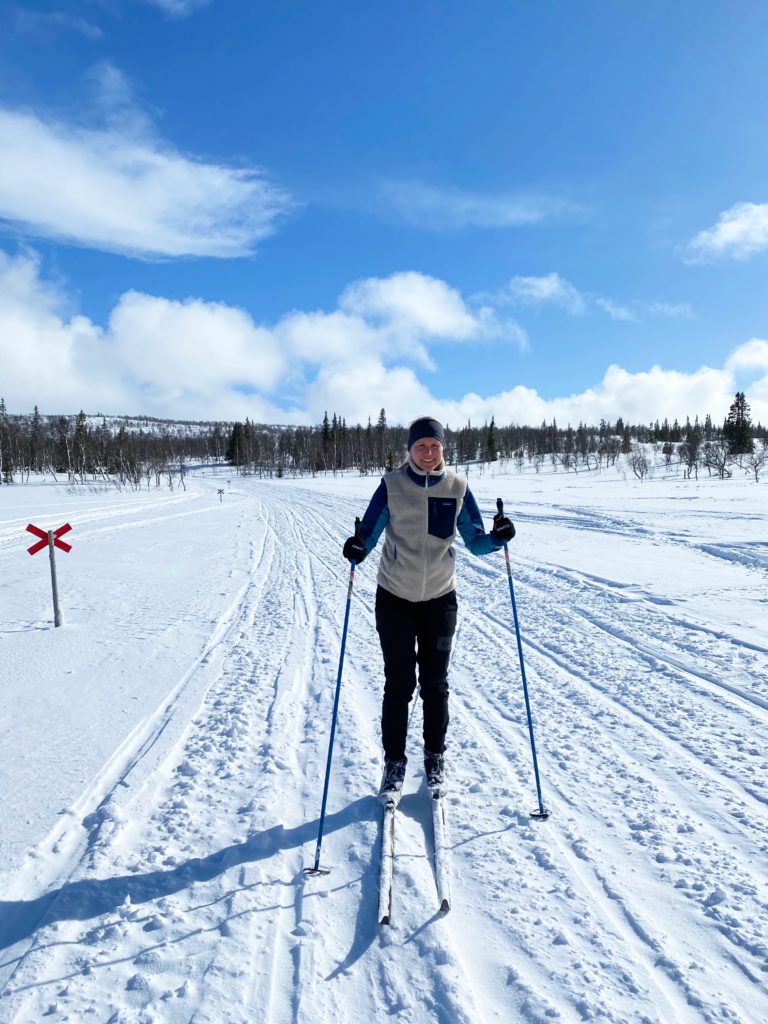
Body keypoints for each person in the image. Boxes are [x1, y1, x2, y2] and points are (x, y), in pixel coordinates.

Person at [342, 416, 515, 803]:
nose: (428, 452)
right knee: (399, 685)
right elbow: (368, 534)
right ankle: (394, 764)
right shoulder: (391, 485)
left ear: (442, 448)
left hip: (440, 599)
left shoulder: (457, 487)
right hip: (395, 599)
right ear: (409, 449)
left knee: (435, 686)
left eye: (434, 446)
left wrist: (498, 538)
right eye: (420, 446)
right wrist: (357, 549)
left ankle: (435, 757)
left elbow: (475, 540)